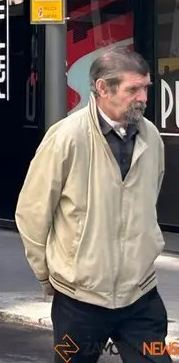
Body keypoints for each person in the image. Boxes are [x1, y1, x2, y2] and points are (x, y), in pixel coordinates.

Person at [16, 48, 169, 363]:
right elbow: (32, 212)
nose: (142, 97)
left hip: (140, 297)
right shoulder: (66, 138)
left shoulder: (151, 137)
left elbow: (149, 198)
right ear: (102, 88)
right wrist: (48, 276)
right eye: (132, 89)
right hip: (78, 302)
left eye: (146, 88)